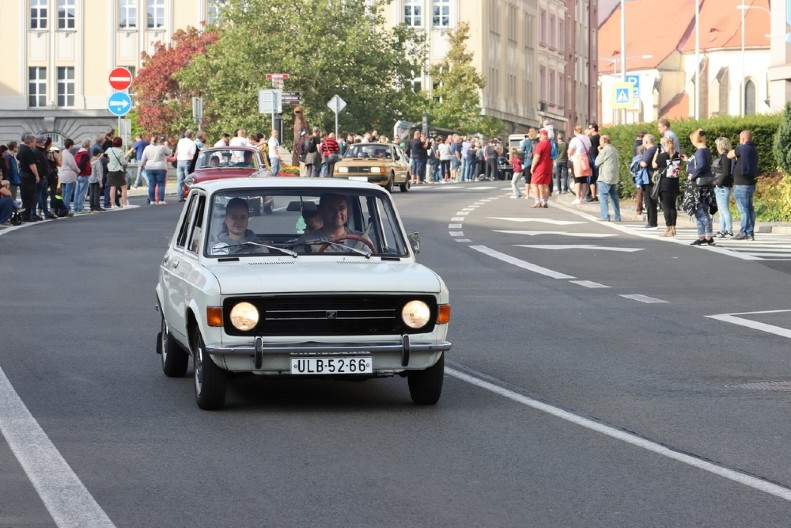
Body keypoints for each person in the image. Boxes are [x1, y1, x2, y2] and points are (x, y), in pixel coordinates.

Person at [294, 193, 371, 253]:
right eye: (331, 208)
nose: (337, 213)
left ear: (347, 211)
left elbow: (372, 265)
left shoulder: (362, 240)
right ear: (322, 211)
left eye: (342, 208)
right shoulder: (306, 242)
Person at [685, 129, 715, 246]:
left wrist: (693, 176)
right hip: (706, 183)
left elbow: (701, 165)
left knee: (699, 211)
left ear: (695, 140)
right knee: (704, 211)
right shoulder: (706, 150)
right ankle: (704, 236)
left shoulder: (700, 152)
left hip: (700, 184)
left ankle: (706, 236)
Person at [728, 130, 759, 240]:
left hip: (741, 184)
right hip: (750, 183)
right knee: (750, 209)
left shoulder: (742, 148)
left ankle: (744, 232)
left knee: (743, 210)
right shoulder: (753, 149)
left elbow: (729, 155)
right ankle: (750, 233)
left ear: (742, 139)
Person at [651, 136, 682, 237]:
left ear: (664, 144)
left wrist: (656, 153)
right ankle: (673, 228)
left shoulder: (662, 156)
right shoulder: (678, 155)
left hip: (664, 184)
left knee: (666, 207)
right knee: (673, 206)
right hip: (674, 183)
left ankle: (668, 228)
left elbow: (654, 165)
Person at [593, 135, 621, 222]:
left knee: (603, 196)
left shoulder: (605, 150)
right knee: (614, 197)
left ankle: (605, 216)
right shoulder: (614, 149)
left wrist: (600, 151)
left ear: (604, 141)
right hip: (614, 176)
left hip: (605, 176)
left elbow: (597, 162)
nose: (599, 143)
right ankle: (617, 216)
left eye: (600, 141)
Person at [711, 136, 734, 238]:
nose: (716, 147)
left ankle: (728, 230)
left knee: (724, 210)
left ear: (720, 145)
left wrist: (718, 183)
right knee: (722, 211)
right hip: (722, 186)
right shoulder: (725, 156)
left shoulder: (725, 157)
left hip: (722, 186)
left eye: (717, 145)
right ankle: (722, 230)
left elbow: (726, 173)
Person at [140, 135, 171, 205]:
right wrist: (165, 145)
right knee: (161, 184)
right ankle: (161, 200)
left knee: (151, 184)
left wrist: (142, 165)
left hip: (149, 167)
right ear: (158, 140)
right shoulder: (162, 147)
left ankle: (152, 200)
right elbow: (169, 153)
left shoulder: (147, 148)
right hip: (160, 167)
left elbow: (143, 158)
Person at [567, 125, 592, 205]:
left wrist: (569, 153)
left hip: (576, 160)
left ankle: (577, 198)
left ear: (575, 131)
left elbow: (570, 151)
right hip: (585, 160)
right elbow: (589, 149)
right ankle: (583, 197)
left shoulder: (575, 139)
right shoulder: (587, 139)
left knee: (577, 179)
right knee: (584, 180)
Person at [639, 134, 659, 229]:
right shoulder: (655, 149)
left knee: (649, 201)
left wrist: (639, 161)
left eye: (643, 141)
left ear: (646, 141)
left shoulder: (649, 150)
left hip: (648, 178)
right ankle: (652, 221)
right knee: (652, 201)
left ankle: (652, 222)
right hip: (654, 177)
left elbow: (644, 163)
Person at [530, 128, 553, 208]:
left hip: (540, 167)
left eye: (540, 134)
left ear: (542, 135)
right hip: (548, 166)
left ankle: (537, 201)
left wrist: (532, 167)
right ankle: (545, 202)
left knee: (534, 183)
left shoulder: (540, 144)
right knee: (545, 184)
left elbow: (537, 156)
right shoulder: (549, 144)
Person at [106, 136, 128, 207]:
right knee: (123, 187)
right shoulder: (120, 151)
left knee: (112, 187)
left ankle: (113, 204)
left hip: (110, 171)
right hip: (118, 171)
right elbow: (123, 162)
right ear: (120, 143)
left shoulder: (109, 150)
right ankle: (124, 204)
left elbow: (104, 155)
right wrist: (127, 159)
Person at [58, 138, 78, 216]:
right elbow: (73, 165)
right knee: (68, 194)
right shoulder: (69, 155)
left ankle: (64, 207)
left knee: (64, 193)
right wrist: (78, 171)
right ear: (70, 146)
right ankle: (65, 209)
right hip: (69, 176)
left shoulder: (61, 154)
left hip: (62, 175)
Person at [175, 130, 196, 203]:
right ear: (191, 135)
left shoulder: (180, 141)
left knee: (180, 180)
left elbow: (177, 151)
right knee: (189, 180)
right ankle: (189, 195)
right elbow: (193, 154)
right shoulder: (192, 143)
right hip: (187, 160)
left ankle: (180, 196)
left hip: (180, 160)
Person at [72, 139, 92, 215]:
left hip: (78, 175)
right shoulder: (85, 154)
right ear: (88, 146)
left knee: (77, 192)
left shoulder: (77, 153)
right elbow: (83, 165)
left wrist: (77, 172)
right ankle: (80, 207)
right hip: (84, 174)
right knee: (82, 193)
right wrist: (80, 170)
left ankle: (76, 207)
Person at [89, 147, 105, 212]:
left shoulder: (91, 160)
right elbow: (99, 172)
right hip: (96, 179)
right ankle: (97, 206)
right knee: (96, 193)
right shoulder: (98, 162)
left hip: (90, 178)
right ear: (98, 154)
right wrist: (100, 182)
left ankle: (92, 206)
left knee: (91, 193)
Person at [587, 123, 600, 201]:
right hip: (596, 157)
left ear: (593, 129)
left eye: (590, 128)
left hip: (593, 157)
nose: (589, 130)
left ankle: (593, 195)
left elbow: (588, 146)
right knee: (594, 177)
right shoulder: (598, 137)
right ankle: (593, 195)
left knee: (592, 177)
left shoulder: (593, 138)